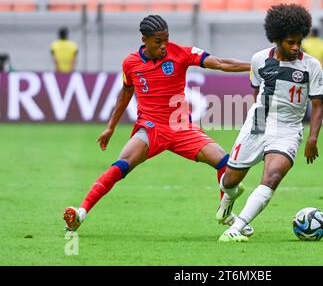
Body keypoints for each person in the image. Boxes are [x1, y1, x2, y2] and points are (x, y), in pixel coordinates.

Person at [63, 15, 254, 236]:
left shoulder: (181, 53)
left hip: (181, 128)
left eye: (166, 39)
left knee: (225, 163)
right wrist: (110, 127)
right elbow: (126, 93)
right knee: (119, 167)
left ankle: (226, 214)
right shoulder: (130, 63)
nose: (163, 46)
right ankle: (80, 214)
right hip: (151, 128)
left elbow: (219, 63)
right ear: (144, 40)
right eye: (157, 41)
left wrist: (253, 66)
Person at [216, 4, 323, 242]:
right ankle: (226, 205)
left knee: (273, 176)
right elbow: (257, 93)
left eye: (299, 41)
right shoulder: (259, 60)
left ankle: (237, 227)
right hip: (258, 122)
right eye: (290, 42)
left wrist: (312, 137)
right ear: (276, 39)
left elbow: (318, 103)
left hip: (288, 129)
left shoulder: (311, 66)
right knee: (229, 181)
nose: (296, 47)